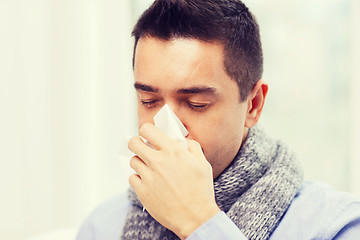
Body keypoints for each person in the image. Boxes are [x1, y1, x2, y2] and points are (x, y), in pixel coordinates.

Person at [76, 0, 360, 239]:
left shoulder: (335, 226)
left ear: (253, 105)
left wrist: (199, 222)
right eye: (148, 101)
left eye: (196, 103)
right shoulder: (101, 227)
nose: (167, 127)